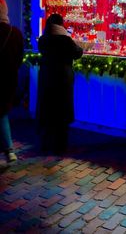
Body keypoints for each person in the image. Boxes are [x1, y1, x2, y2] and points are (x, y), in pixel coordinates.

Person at [36, 13, 83, 154]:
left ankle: (45, 143)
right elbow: (78, 53)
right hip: (63, 79)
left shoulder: (44, 39)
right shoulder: (65, 40)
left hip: (46, 78)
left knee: (47, 110)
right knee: (62, 112)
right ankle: (60, 146)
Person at [0, 0, 24, 162]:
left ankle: (8, 149)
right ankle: (9, 149)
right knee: (2, 112)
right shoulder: (14, 33)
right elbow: (19, 58)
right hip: (8, 80)